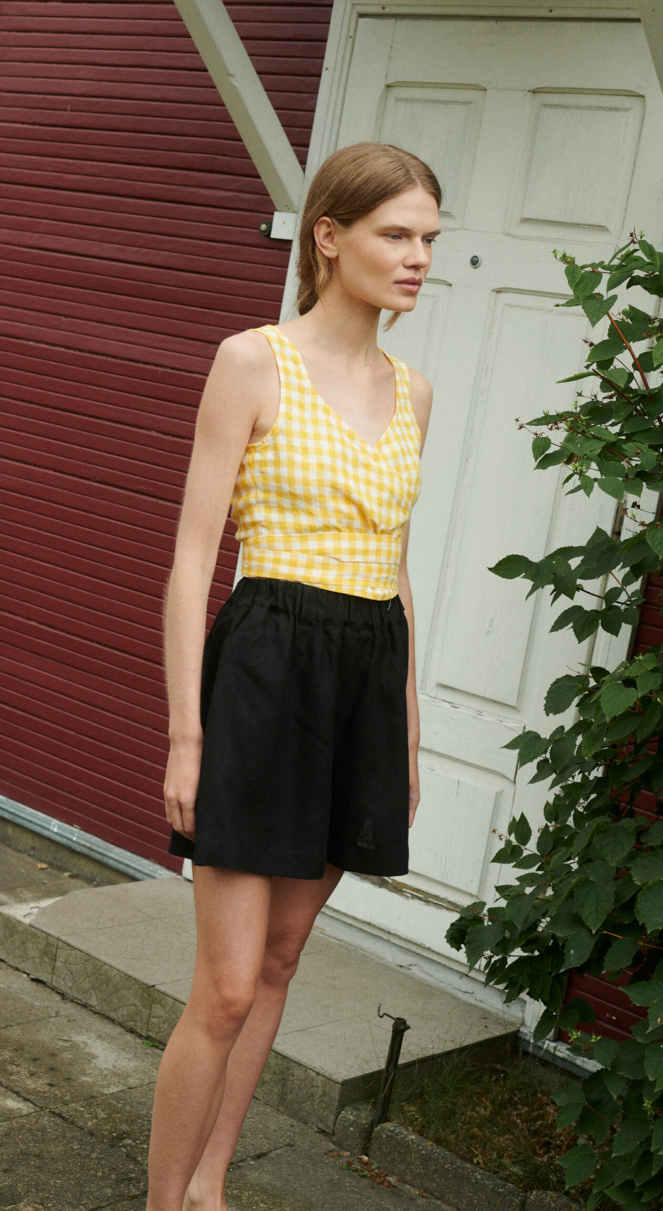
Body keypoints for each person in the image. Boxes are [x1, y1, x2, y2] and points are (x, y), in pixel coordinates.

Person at [146, 141, 441, 1211]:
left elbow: (397, 570)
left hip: (363, 674)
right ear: (328, 236)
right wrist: (187, 733)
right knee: (223, 985)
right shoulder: (250, 360)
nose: (416, 259)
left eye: (426, 242)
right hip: (265, 665)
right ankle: (158, 1200)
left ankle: (209, 1183)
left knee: (277, 959)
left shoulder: (412, 389)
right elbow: (190, 557)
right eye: (394, 235)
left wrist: (405, 728)